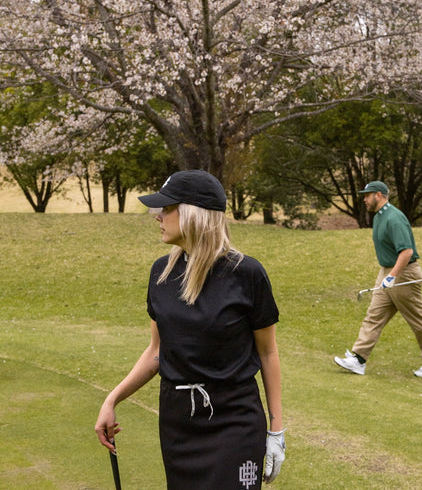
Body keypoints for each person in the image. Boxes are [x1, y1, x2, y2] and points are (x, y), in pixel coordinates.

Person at [95, 170, 285, 489]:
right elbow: (157, 352)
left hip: (235, 422)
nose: (158, 216)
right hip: (178, 424)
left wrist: (276, 431)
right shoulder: (161, 273)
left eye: (166, 208)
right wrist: (112, 399)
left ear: (193, 214)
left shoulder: (247, 274)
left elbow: (267, 352)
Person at [334, 181, 422, 378]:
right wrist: (387, 276)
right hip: (387, 272)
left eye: (367, 195)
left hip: (404, 273)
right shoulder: (379, 217)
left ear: (379, 195)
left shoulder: (394, 218)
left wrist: (392, 276)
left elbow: (407, 251)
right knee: (374, 316)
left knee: (416, 319)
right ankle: (358, 359)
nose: (365, 199)